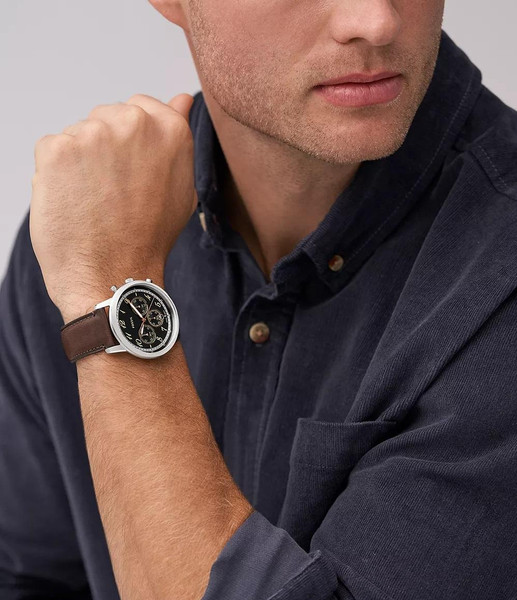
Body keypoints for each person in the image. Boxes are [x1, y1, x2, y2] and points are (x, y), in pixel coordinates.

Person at [2, 0, 517, 598]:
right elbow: (29, 578)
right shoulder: (91, 224)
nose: (376, 21)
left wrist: (112, 300)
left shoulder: (499, 277)